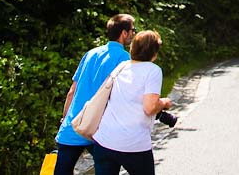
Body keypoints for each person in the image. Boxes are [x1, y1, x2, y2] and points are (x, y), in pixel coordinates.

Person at [53, 14, 134, 175]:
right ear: (124, 33)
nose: (133, 34)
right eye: (132, 30)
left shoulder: (90, 54)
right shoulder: (123, 57)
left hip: (74, 123)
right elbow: (122, 96)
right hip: (99, 128)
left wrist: (65, 119)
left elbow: (72, 91)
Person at [92, 30, 172, 175]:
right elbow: (150, 107)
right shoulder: (153, 70)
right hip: (133, 143)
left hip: (104, 140)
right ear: (153, 52)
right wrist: (164, 103)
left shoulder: (121, 67)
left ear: (133, 47)